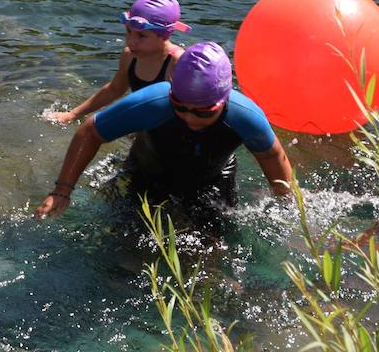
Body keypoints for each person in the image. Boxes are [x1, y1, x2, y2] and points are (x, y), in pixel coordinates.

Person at [36, 41, 294, 222]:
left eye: (204, 112)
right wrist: (62, 191)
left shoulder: (245, 116)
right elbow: (90, 132)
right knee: (128, 246)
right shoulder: (152, 103)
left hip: (213, 177)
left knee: (213, 248)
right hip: (149, 171)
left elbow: (272, 156)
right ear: (171, 92)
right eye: (180, 107)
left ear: (224, 100)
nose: (191, 117)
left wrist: (285, 201)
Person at [47, 0, 190, 125]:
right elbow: (114, 89)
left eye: (142, 36)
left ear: (164, 35)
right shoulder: (129, 56)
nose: (131, 41)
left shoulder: (178, 63)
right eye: (128, 31)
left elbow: (194, 112)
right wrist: (73, 114)